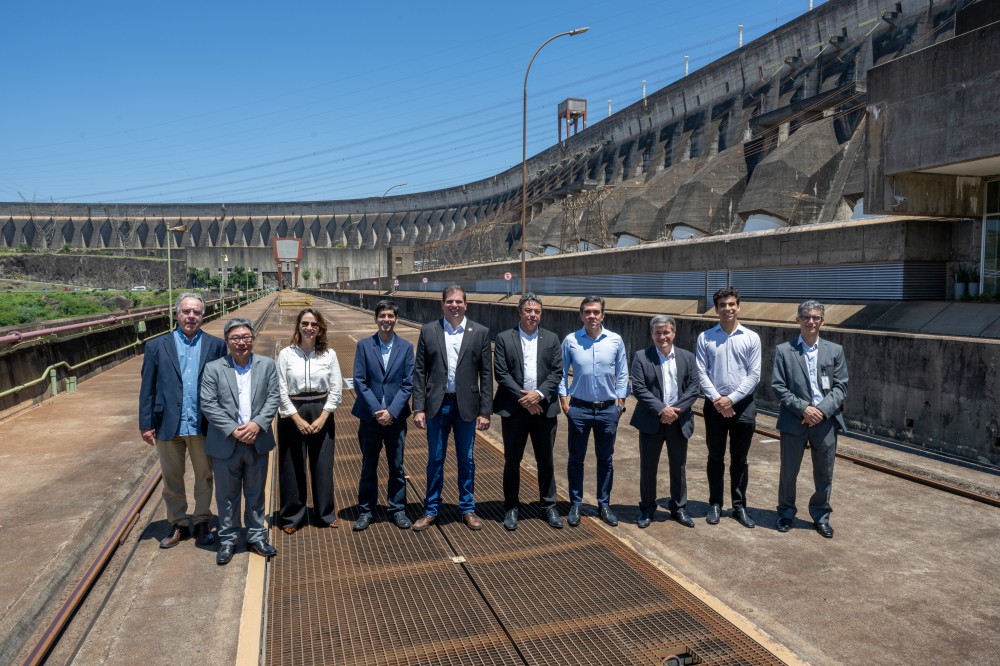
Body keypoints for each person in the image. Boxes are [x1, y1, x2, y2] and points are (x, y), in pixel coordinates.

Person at [138, 292, 226, 549]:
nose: (191, 316)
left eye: (196, 312)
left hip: (202, 423)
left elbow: (222, 386)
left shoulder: (215, 345)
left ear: (203, 315)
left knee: (204, 475)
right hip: (168, 422)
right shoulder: (156, 346)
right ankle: (178, 522)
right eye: (186, 311)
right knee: (172, 477)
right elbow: (148, 387)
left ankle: (201, 521)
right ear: (176, 314)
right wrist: (145, 423)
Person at [411, 285, 493, 531]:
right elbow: (419, 372)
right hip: (437, 405)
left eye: (458, 301)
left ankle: (467, 508)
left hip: (466, 406)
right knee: (435, 459)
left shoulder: (480, 332)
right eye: (450, 301)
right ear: (442, 304)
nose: (454, 305)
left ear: (466, 304)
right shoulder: (429, 330)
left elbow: (486, 375)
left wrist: (485, 410)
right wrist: (418, 408)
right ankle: (431, 509)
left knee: (466, 460)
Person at [201, 318, 280, 565]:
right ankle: (228, 538)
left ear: (252, 339)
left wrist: (257, 424)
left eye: (246, 337)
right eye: (235, 338)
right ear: (227, 342)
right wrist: (234, 430)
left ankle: (257, 536)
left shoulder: (267, 365)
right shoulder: (214, 368)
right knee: (226, 496)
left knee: (256, 494)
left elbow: (274, 397)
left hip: (257, 439)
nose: (241, 342)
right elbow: (208, 404)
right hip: (227, 442)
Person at [771, 300, 849, 538]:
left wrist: (821, 411)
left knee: (825, 472)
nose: (811, 321)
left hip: (825, 422)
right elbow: (779, 387)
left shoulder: (835, 351)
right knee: (789, 472)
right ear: (798, 320)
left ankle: (821, 516)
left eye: (815, 317)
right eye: (806, 317)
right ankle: (785, 513)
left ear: (823, 321)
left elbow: (840, 387)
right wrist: (804, 409)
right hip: (795, 420)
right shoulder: (784, 350)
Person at [493, 293, 564, 531]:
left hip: (544, 409)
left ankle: (548, 505)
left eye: (536, 311)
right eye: (528, 310)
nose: (532, 315)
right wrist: (525, 398)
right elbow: (501, 373)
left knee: (546, 460)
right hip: (515, 409)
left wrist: (539, 395)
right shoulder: (504, 338)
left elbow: (557, 372)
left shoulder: (552, 339)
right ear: (519, 312)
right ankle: (511, 506)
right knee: (513, 460)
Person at [558, 296, 629, 527]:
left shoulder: (615, 341)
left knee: (605, 459)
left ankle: (604, 504)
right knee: (576, 459)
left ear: (603, 315)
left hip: (608, 409)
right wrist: (564, 400)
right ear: (581, 315)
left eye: (596, 312)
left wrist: (620, 402)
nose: (592, 316)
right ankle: (576, 504)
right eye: (587, 312)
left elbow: (623, 372)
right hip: (579, 408)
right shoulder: (571, 340)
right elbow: (560, 371)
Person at [695, 286, 761, 528]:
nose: (727, 308)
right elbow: (701, 372)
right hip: (714, 405)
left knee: (740, 459)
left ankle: (739, 506)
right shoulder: (705, 337)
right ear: (717, 309)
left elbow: (754, 375)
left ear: (738, 306)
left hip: (742, 405)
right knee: (715, 456)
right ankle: (715, 503)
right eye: (723, 305)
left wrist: (731, 399)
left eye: (731, 304)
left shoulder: (751, 338)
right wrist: (718, 400)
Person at [275, 309, 343, 533]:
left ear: (320, 327)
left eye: (314, 324)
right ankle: (293, 517)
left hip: (320, 409)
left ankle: (324, 514)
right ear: (298, 326)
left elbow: (336, 388)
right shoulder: (286, 354)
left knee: (322, 464)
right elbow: (280, 388)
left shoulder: (329, 354)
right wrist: (295, 417)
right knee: (292, 465)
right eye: (305, 323)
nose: (309, 328)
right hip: (292, 411)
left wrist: (325, 415)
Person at [629, 315, 700, 529]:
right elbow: (639, 388)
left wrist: (674, 411)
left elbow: (694, 387)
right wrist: (662, 409)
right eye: (657, 333)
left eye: (666, 332)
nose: (662, 337)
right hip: (652, 420)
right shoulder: (642, 357)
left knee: (678, 466)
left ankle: (678, 507)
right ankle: (647, 508)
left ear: (674, 333)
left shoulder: (687, 357)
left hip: (678, 421)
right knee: (648, 467)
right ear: (652, 334)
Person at [351, 300, 414, 531]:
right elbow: (360, 381)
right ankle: (366, 510)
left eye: (390, 316)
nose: (386, 320)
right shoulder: (364, 346)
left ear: (396, 319)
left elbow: (408, 385)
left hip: (396, 419)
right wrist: (378, 410)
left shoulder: (406, 348)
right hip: (370, 418)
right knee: (369, 466)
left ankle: (397, 509)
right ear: (376, 318)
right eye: (382, 316)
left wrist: (392, 412)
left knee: (397, 467)